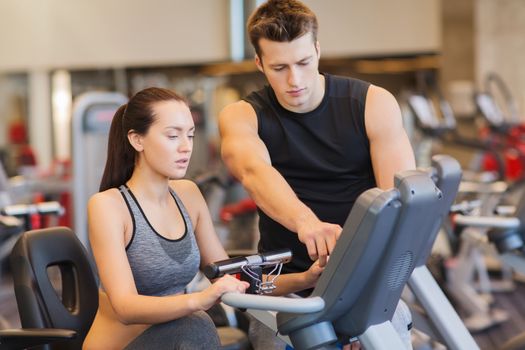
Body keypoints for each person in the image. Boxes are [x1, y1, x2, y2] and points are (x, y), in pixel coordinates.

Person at [218, 0, 416, 348]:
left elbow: (399, 206)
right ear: (259, 63)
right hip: (286, 292)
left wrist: (361, 314)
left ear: (318, 50)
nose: (294, 80)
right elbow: (253, 169)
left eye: (303, 63)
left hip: (366, 285)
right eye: (279, 67)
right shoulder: (243, 115)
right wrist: (306, 222)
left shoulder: (372, 103)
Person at [82, 87, 251, 350]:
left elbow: (226, 274)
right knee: (196, 324)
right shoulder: (108, 206)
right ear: (137, 140)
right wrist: (199, 300)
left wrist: (305, 279)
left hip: (178, 338)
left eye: (190, 135)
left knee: (197, 324)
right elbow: (126, 307)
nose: (186, 147)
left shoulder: (189, 194)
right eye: (173, 136)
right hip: (122, 345)